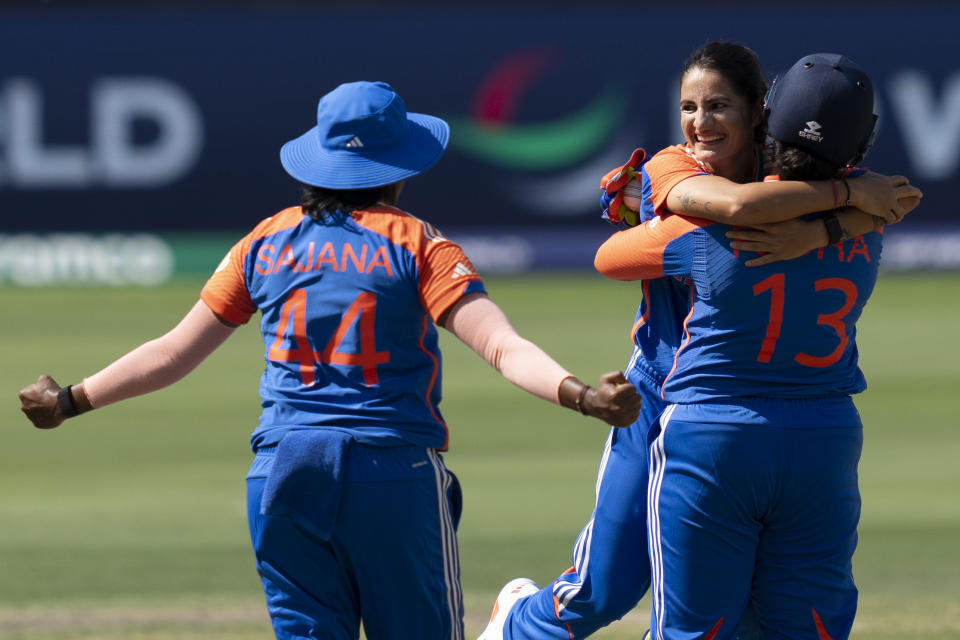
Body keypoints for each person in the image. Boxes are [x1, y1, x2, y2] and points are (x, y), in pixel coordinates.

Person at [17, 80, 643, 640]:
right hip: (389, 473)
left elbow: (173, 352)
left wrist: (70, 398)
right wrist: (581, 395)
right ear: (399, 166)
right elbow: (501, 346)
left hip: (283, 475)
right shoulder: (419, 244)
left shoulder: (263, 241)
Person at [479, 42, 921, 640]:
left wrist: (827, 225)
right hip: (659, 395)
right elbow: (726, 213)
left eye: (719, 107)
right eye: (689, 106)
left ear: (760, 113)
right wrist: (839, 212)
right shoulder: (673, 167)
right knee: (602, 590)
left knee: (734, 611)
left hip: (719, 413)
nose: (700, 122)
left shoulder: (793, 176)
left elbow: (889, 200)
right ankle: (511, 624)